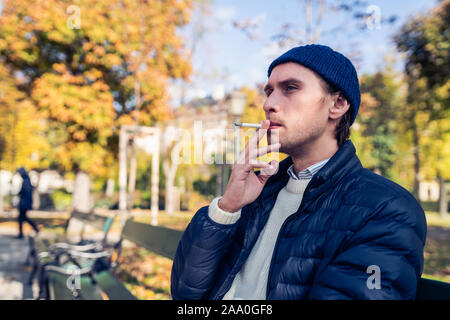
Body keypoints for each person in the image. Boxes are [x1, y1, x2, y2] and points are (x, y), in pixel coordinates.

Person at [171, 44, 427, 300]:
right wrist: (227, 208)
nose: (269, 104)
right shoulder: (258, 191)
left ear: (337, 104)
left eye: (290, 88)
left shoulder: (386, 209)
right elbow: (185, 294)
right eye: (269, 92)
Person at [16, 167, 39, 238]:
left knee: (22, 218)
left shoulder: (26, 181)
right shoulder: (26, 180)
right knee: (22, 218)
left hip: (24, 203)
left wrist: (20, 193)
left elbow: (25, 191)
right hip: (24, 203)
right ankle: (22, 233)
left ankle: (22, 233)